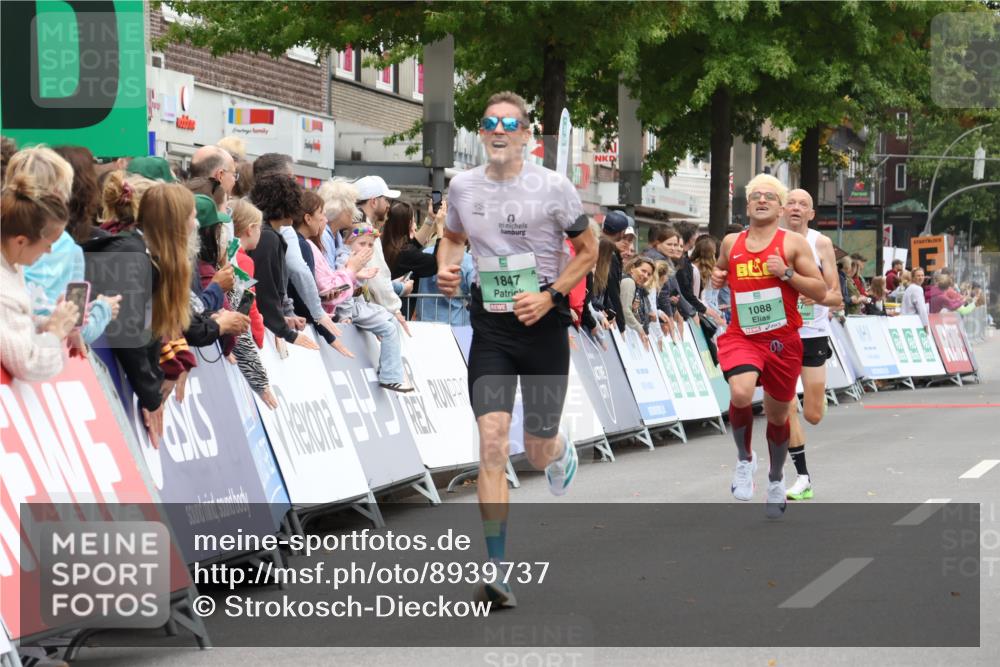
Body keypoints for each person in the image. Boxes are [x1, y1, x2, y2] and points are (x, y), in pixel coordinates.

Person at [437, 91, 597, 607]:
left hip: (544, 326)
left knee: (535, 447)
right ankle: (497, 568)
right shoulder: (462, 186)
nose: (499, 131)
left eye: (510, 124)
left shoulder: (555, 187)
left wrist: (550, 294)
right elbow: (454, 238)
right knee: (490, 442)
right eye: (489, 123)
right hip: (492, 328)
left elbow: (589, 250)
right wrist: (445, 266)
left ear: (527, 134)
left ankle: (558, 450)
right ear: (481, 133)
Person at [711, 174, 827, 519]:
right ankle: (745, 460)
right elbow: (719, 272)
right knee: (742, 393)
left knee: (779, 417)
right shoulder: (732, 243)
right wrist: (716, 277)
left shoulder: (792, 244)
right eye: (756, 196)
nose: (762, 201)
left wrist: (787, 275)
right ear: (748, 206)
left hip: (782, 341)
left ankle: (776, 478)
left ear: (779, 208)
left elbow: (820, 291)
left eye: (770, 197)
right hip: (742, 335)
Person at [19, 146, 120, 349]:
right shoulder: (71, 251)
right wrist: (103, 309)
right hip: (44, 367)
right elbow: (78, 327)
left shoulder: (9, 242)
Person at [780, 188, 843, 501]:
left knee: (813, 414)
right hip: (779, 336)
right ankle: (802, 477)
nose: (795, 207)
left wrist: (814, 294)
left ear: (811, 213)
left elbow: (836, 297)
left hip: (813, 333)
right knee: (787, 405)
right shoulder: (767, 243)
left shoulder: (820, 243)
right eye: (790, 202)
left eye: (802, 204)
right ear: (781, 209)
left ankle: (817, 398)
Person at [1, 171, 79, 381]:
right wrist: (55, 331)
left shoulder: (12, 265)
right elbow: (29, 363)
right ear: (21, 241)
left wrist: (49, 322)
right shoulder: (4, 289)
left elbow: (15, 327)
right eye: (48, 245)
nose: (49, 252)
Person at [335, 222, 413, 391]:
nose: (366, 248)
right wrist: (345, 314)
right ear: (348, 242)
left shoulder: (356, 259)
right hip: (349, 308)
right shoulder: (346, 258)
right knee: (389, 328)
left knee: (391, 321)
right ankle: (390, 375)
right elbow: (344, 288)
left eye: (370, 245)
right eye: (362, 243)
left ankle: (389, 372)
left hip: (357, 304)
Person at [248, 174, 321, 352]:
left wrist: (283, 319)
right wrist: (284, 330)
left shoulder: (268, 235)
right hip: (256, 330)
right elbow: (265, 290)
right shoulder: (268, 238)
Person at [355, 175, 412, 333]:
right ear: (373, 201)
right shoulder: (367, 232)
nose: (388, 205)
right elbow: (377, 277)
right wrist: (395, 309)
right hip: (362, 311)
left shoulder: (356, 227)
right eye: (386, 199)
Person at [231, 199, 267, 348]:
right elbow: (247, 300)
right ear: (250, 229)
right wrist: (259, 331)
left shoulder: (228, 251)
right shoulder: (244, 261)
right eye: (259, 228)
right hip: (238, 334)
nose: (260, 232)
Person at [599, 211, 629, 332]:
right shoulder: (610, 253)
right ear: (622, 232)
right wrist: (622, 326)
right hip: (596, 312)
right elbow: (613, 290)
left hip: (595, 310)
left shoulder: (592, 244)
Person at [620, 256, 654, 348]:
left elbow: (629, 311)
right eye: (643, 271)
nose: (645, 276)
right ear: (632, 268)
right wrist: (640, 330)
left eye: (649, 274)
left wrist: (634, 310)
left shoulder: (637, 287)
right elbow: (625, 310)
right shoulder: (629, 282)